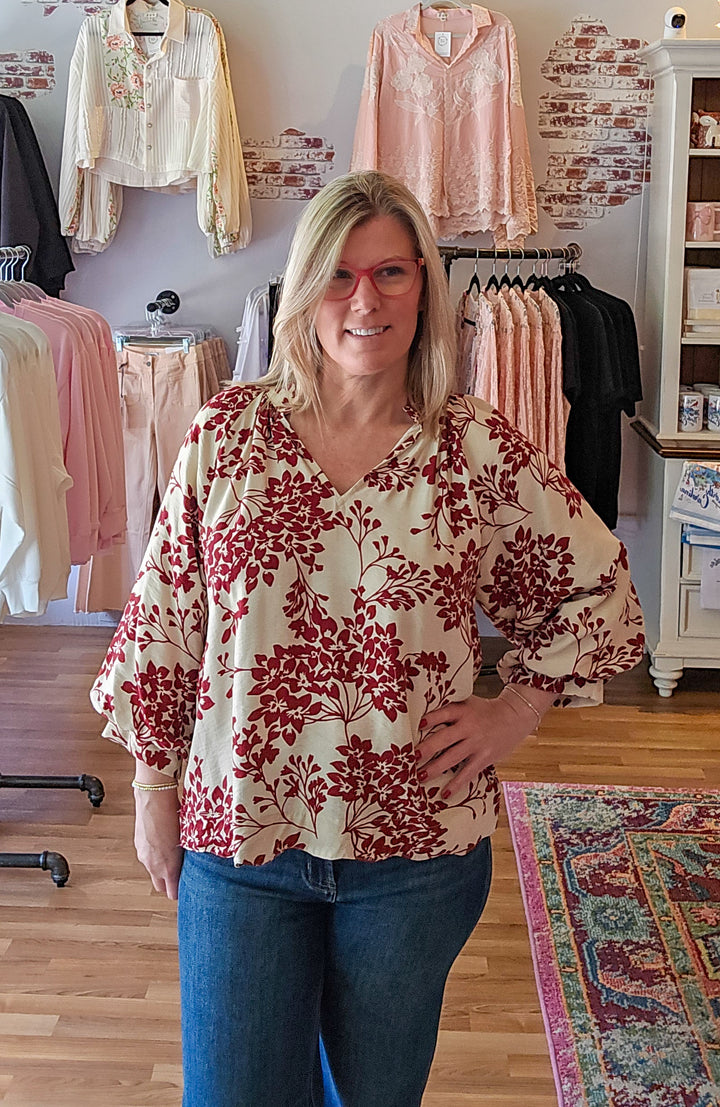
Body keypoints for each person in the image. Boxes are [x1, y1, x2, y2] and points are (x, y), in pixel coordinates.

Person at [90, 170, 645, 1107]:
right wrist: (152, 789)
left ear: (426, 285)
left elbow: (597, 585)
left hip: (415, 854)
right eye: (341, 275)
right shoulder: (231, 434)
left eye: (392, 272)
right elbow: (165, 623)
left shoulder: (473, 448)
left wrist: (516, 710)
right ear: (305, 288)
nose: (365, 300)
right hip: (242, 841)